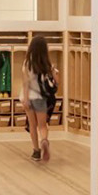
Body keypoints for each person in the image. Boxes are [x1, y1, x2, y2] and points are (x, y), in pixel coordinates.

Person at [25, 34, 58, 163]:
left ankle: (36, 151)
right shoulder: (48, 65)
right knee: (42, 126)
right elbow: (56, 83)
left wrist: (26, 99)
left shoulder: (27, 64)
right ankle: (44, 140)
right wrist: (53, 73)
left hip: (30, 97)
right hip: (41, 98)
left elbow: (26, 83)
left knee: (32, 125)